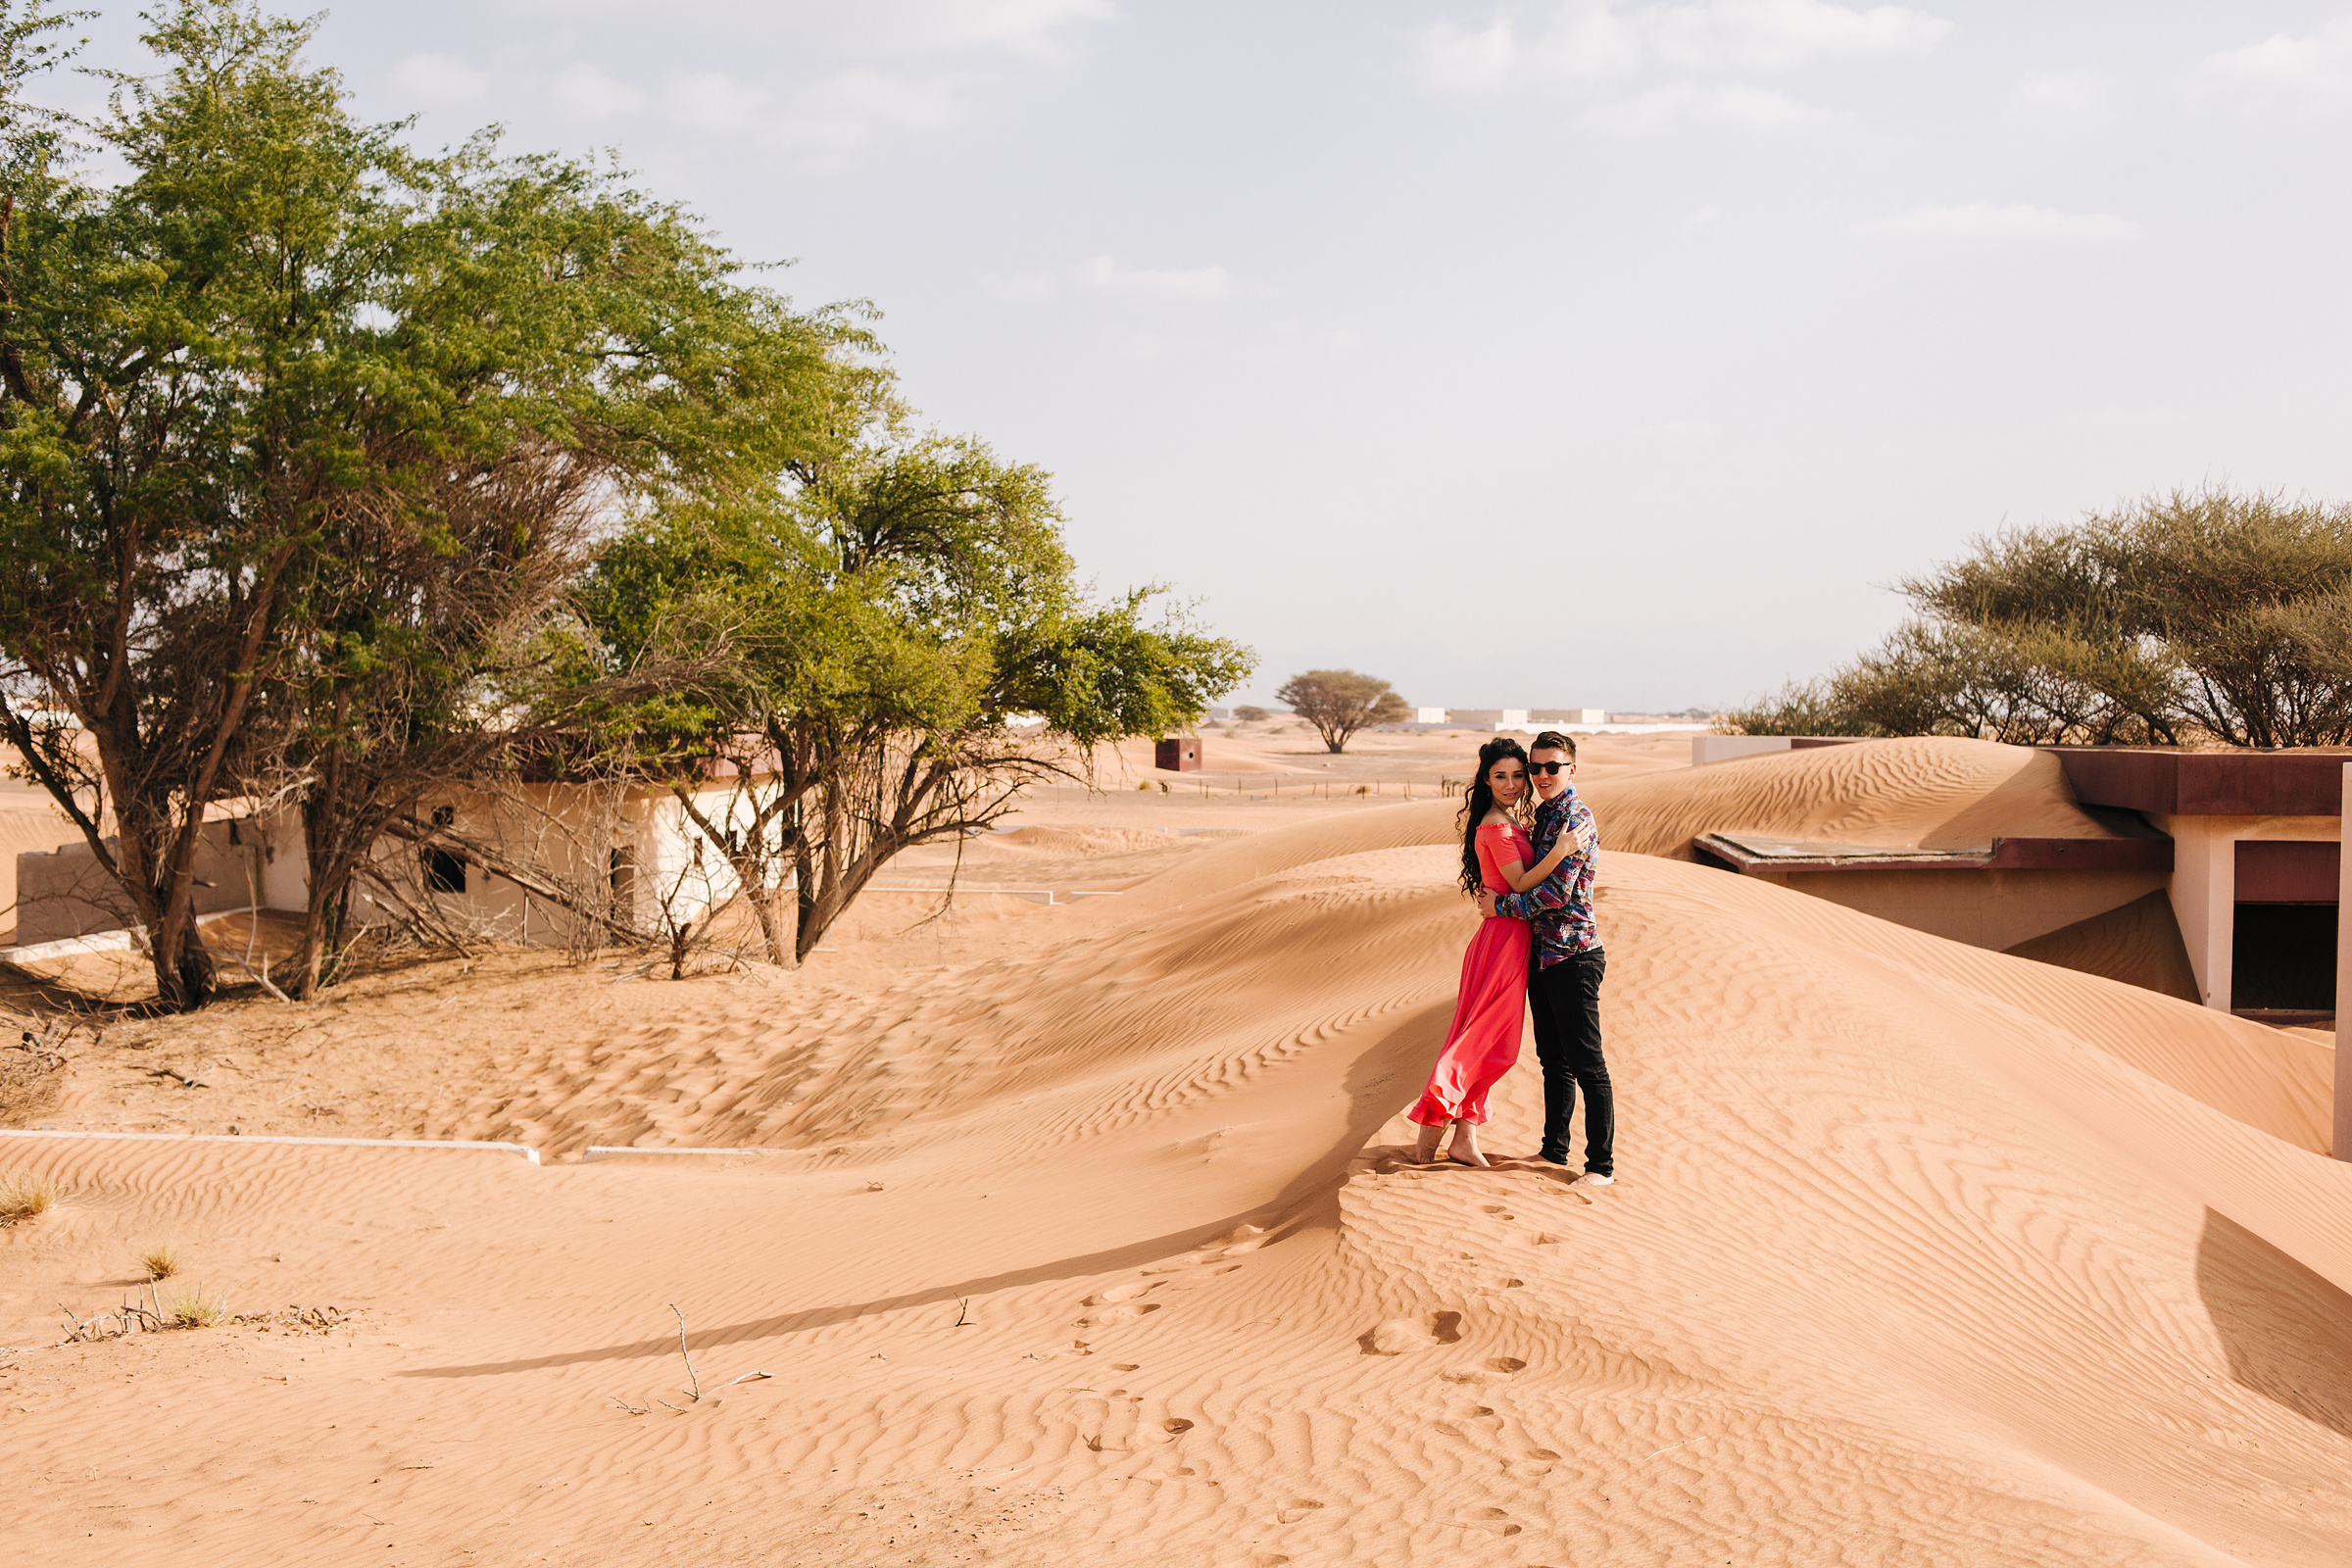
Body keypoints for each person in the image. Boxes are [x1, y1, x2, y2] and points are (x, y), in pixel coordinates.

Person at [1406, 739, 1583, 1167]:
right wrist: (1561, 851)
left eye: (1518, 775)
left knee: (1492, 1042)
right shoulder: (1496, 826)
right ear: (1485, 780)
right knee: (1479, 1041)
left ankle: (1464, 1138)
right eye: (1500, 776)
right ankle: (1427, 1142)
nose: (1512, 784)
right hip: (1503, 940)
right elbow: (1520, 883)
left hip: (1513, 940)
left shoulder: (1510, 820)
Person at [1477, 730, 1613, 1187]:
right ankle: (1554, 1149)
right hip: (1543, 955)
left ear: (1572, 769)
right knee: (1553, 1060)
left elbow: (1555, 895)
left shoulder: (1575, 818)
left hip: (1574, 954)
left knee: (1587, 1064)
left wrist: (1501, 906)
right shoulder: (1544, 815)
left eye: (1552, 767)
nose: (1541, 775)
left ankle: (1601, 1166)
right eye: (1535, 768)